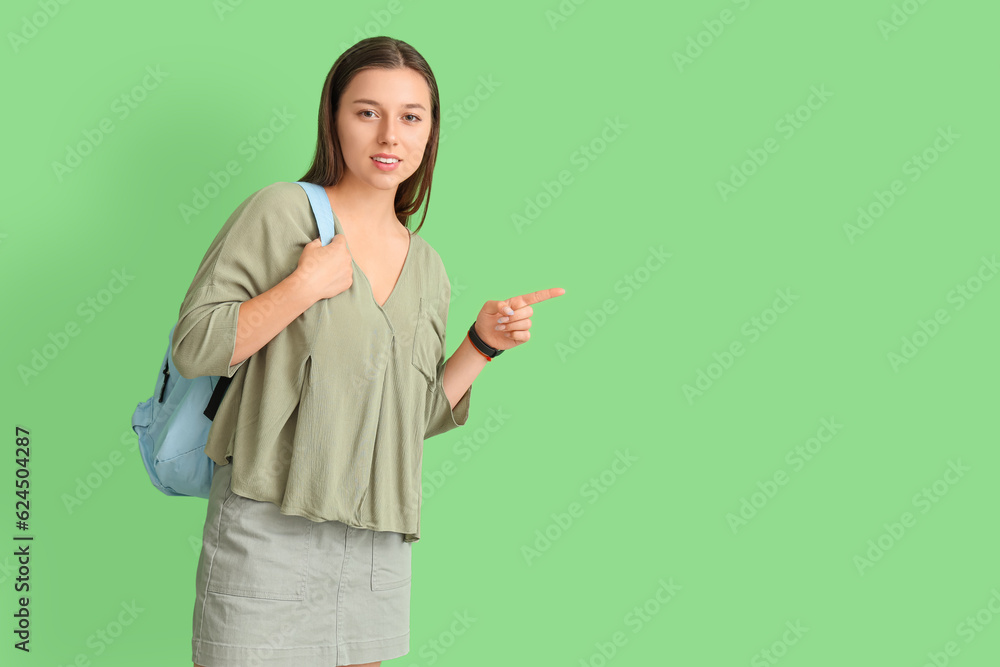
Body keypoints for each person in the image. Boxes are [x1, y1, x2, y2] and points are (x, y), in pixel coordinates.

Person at [177, 36, 566, 667]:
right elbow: (195, 344)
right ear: (333, 119)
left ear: (430, 133)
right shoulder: (281, 212)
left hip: (378, 543)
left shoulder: (428, 266)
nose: (390, 135)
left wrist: (480, 346)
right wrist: (302, 286)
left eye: (411, 117)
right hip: (269, 523)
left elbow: (407, 422)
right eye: (367, 112)